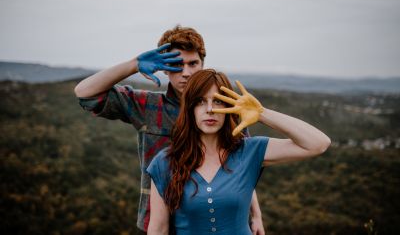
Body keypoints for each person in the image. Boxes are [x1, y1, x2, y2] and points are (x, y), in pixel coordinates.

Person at [74, 26, 265, 234]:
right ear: (163, 68)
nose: (186, 73)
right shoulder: (148, 105)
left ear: (203, 64)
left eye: (193, 63)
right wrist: (134, 65)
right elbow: (85, 93)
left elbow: (240, 165)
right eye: (176, 65)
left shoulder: (224, 109)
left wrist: (255, 215)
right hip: (159, 222)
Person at [146, 69, 331, 235]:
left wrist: (261, 114)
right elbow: (158, 229)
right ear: (189, 109)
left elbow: (318, 143)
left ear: (230, 106)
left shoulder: (249, 150)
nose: (210, 109)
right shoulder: (164, 163)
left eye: (218, 101)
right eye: (201, 101)